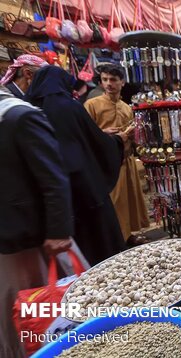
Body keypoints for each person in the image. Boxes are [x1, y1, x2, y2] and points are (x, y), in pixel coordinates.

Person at [25, 66, 128, 265]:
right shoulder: (71, 106)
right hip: (86, 187)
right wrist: (117, 141)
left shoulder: (30, 110)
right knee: (100, 243)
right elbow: (95, 141)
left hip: (54, 194)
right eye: (105, 79)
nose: (109, 84)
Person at [0, 87, 73, 358]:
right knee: (21, 305)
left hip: (31, 236)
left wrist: (58, 230)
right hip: (10, 235)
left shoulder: (20, 117)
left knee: (44, 299)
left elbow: (53, 178)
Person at [84, 64, 150, 242]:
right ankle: (114, 238)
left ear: (122, 82)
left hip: (125, 160)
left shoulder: (126, 107)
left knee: (129, 200)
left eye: (113, 80)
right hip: (105, 163)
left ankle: (128, 235)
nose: (108, 84)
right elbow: (84, 134)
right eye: (104, 80)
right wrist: (104, 133)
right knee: (113, 201)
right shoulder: (92, 105)